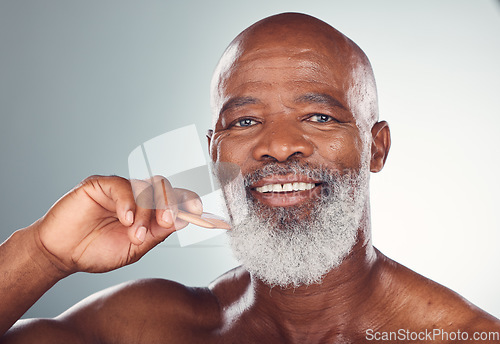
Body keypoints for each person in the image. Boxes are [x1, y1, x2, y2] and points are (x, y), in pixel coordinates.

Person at [1, 12, 499, 344]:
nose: (278, 146)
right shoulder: (159, 326)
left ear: (377, 147)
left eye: (319, 117)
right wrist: (42, 254)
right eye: (244, 121)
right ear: (214, 150)